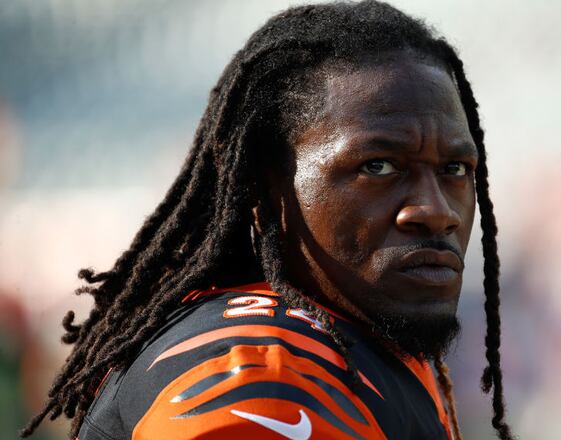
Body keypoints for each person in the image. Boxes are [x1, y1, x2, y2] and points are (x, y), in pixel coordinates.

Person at [22, 1, 513, 439]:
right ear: (262, 188)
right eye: (377, 166)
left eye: (454, 170)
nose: (435, 212)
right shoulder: (263, 373)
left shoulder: (356, 331)